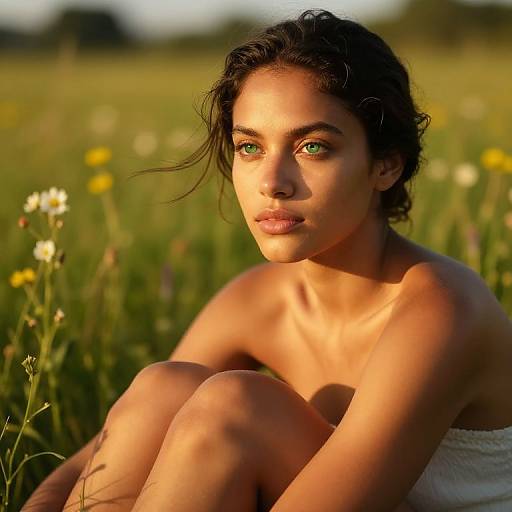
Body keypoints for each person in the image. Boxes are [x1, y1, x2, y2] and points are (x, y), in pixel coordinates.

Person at [23, 9, 512, 512]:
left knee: (236, 407)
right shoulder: (257, 302)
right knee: (161, 388)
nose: (271, 182)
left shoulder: (443, 310)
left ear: (385, 164)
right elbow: (88, 464)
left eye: (312, 146)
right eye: (250, 147)